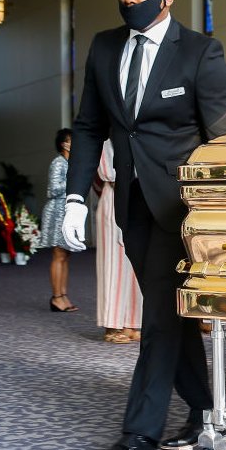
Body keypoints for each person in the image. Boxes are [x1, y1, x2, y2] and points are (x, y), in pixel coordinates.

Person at [62, 0, 226, 450]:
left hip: (183, 209)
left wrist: (218, 216)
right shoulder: (104, 46)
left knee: (160, 316)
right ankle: (207, 412)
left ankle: (139, 433)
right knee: (171, 313)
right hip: (131, 203)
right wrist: (76, 196)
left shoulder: (201, 52)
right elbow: (89, 126)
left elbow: (222, 138)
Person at [95, 140, 142, 344]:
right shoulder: (106, 140)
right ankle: (112, 325)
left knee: (135, 263)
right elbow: (111, 174)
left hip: (138, 198)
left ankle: (131, 322)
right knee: (113, 264)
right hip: (115, 199)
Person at [39, 128, 77, 313]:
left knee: (66, 255)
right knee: (58, 255)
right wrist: (73, 179)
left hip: (67, 210)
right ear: (65, 144)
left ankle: (64, 295)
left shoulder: (72, 162)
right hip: (56, 210)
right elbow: (53, 190)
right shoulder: (58, 162)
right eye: (73, 140)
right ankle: (56, 298)